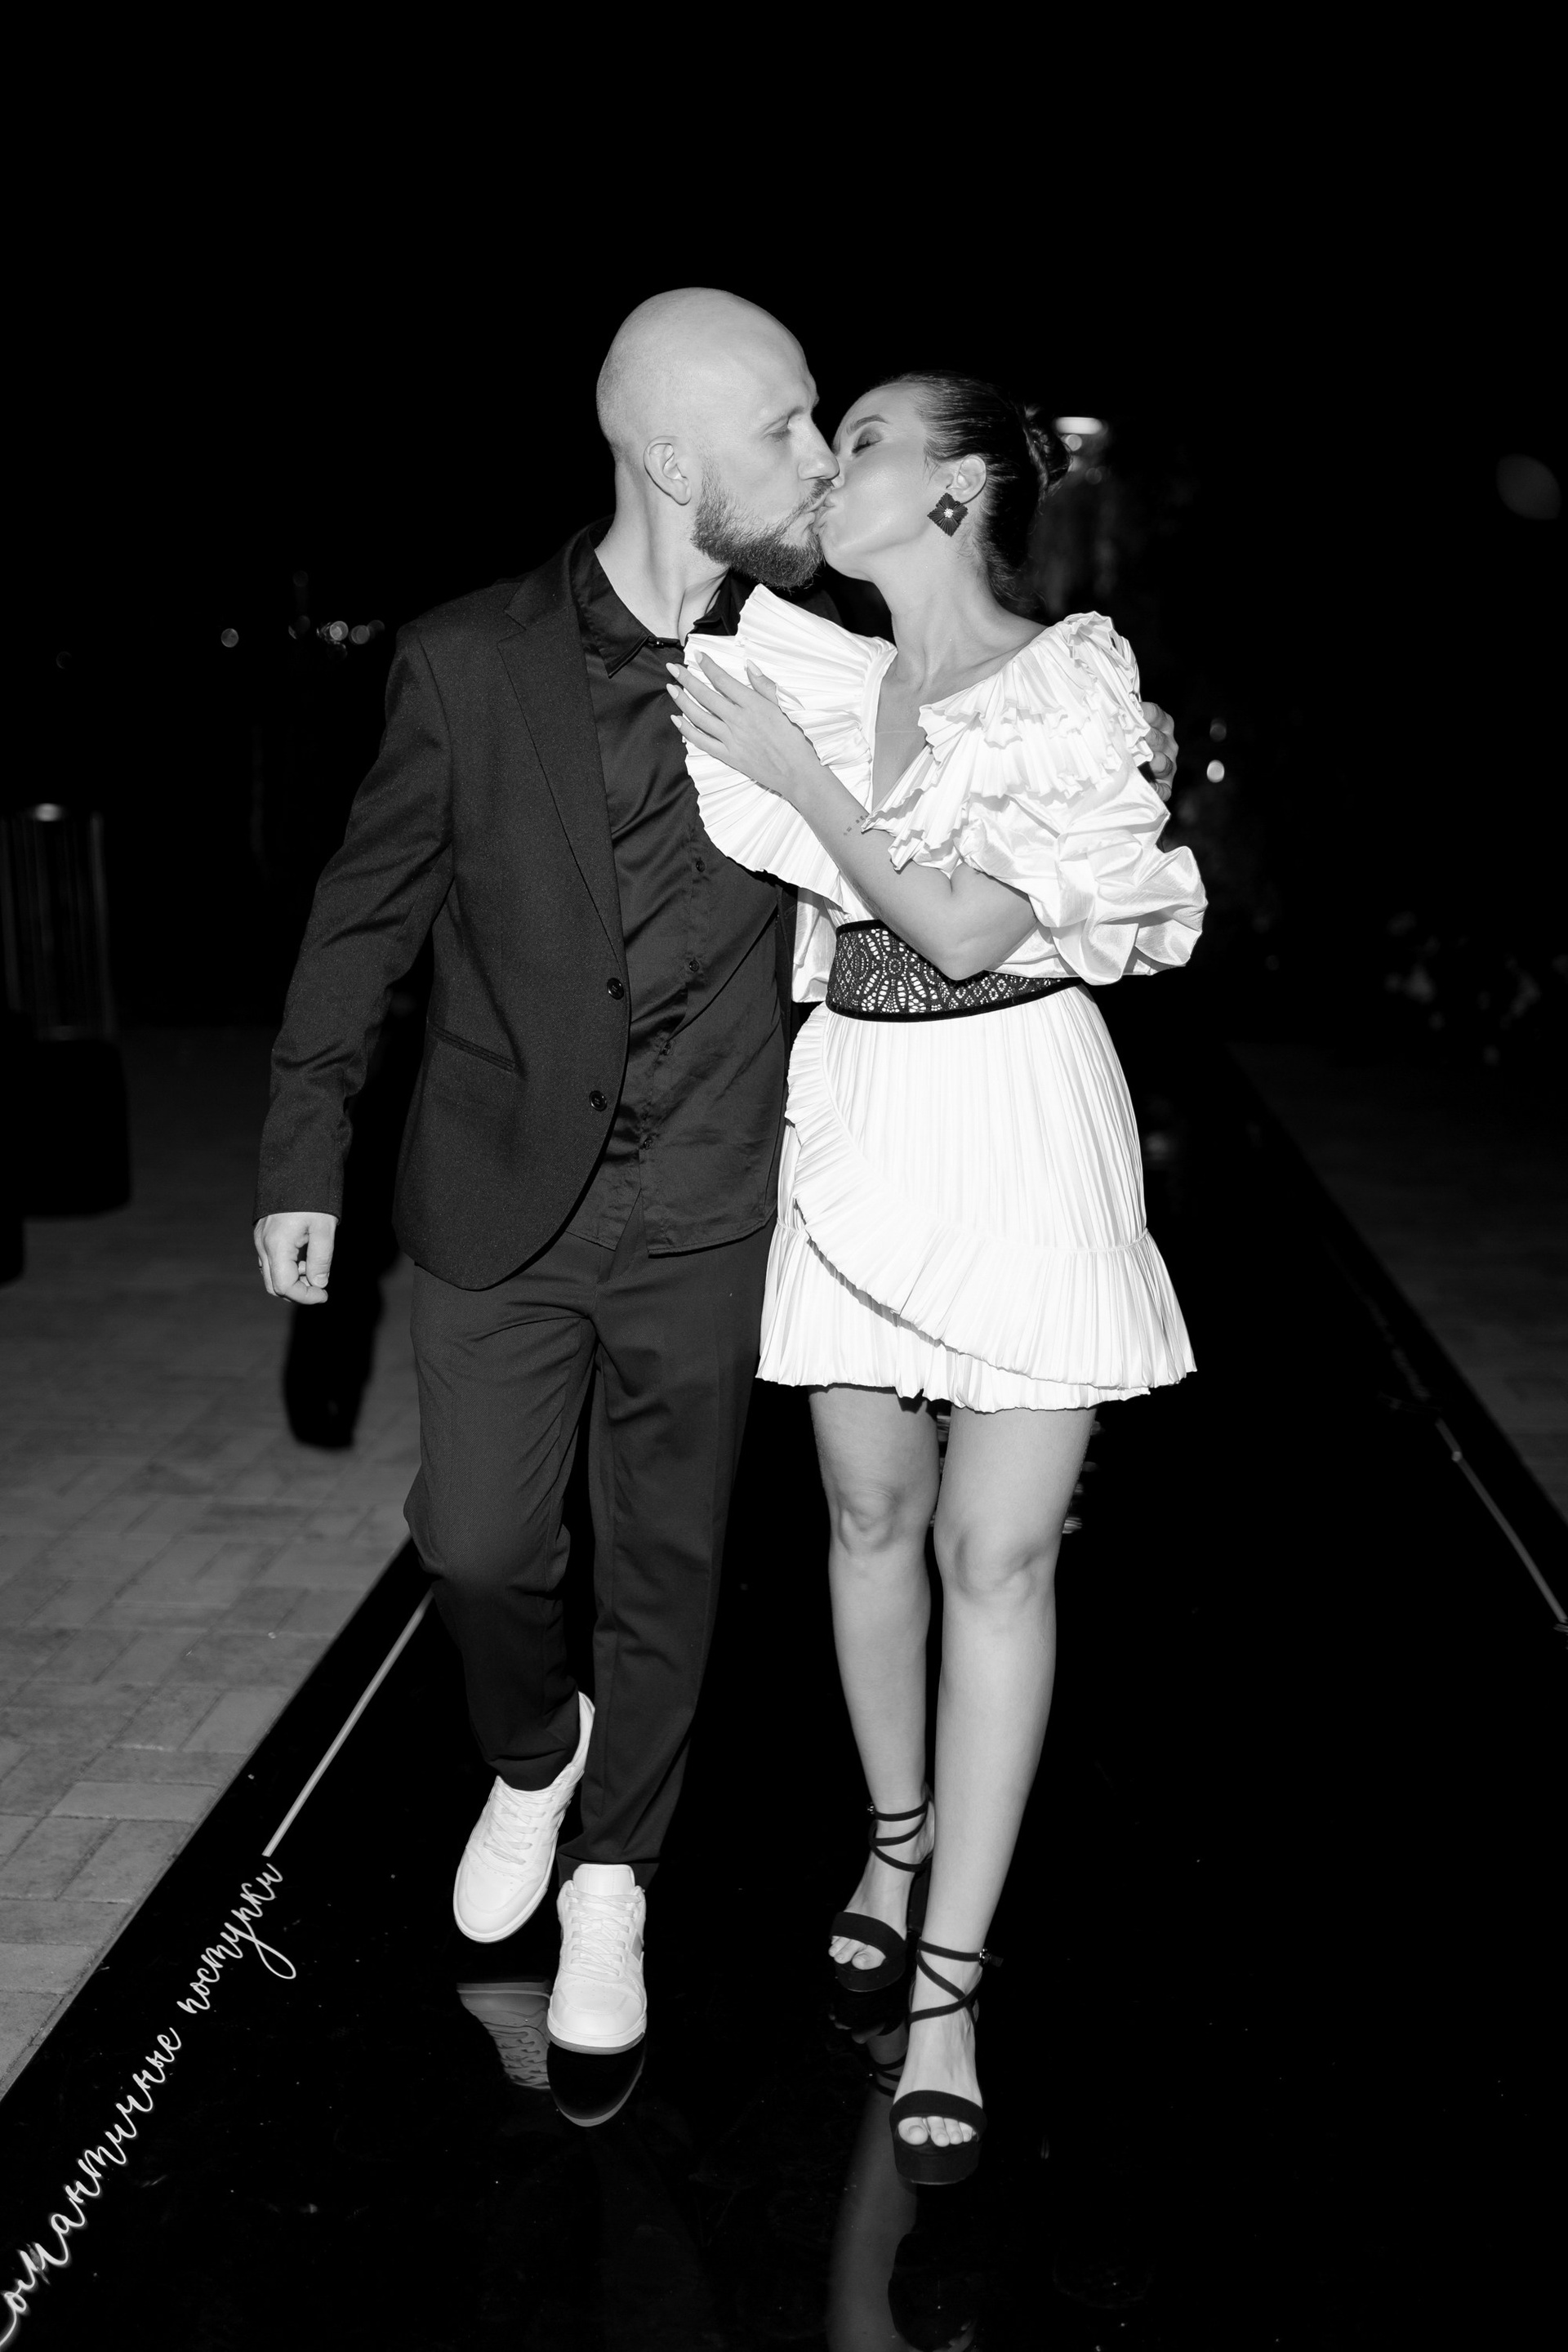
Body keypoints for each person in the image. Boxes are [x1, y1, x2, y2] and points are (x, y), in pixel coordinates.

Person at [252, 294, 1182, 2069]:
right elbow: (365, 914)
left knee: (749, 1562)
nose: (819, 459)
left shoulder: (819, 660)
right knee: (504, 1546)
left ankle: (654, 1892)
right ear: (677, 463)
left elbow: (1003, 820)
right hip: (590, 1173)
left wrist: (1118, 762)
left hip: (767, 1176)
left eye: (842, 428)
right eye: (792, 429)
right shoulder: (494, 658)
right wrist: (305, 1149)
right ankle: (564, 1764)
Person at [667, 372, 1204, 2181]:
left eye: (871, 440)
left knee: (998, 1553)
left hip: (1018, 1115)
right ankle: (895, 1841)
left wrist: (802, 781)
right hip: (862, 1106)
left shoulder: (1067, 685)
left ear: (964, 487)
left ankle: (955, 1984)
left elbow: (971, 929)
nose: (835, 464)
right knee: (868, 1518)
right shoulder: (815, 670)